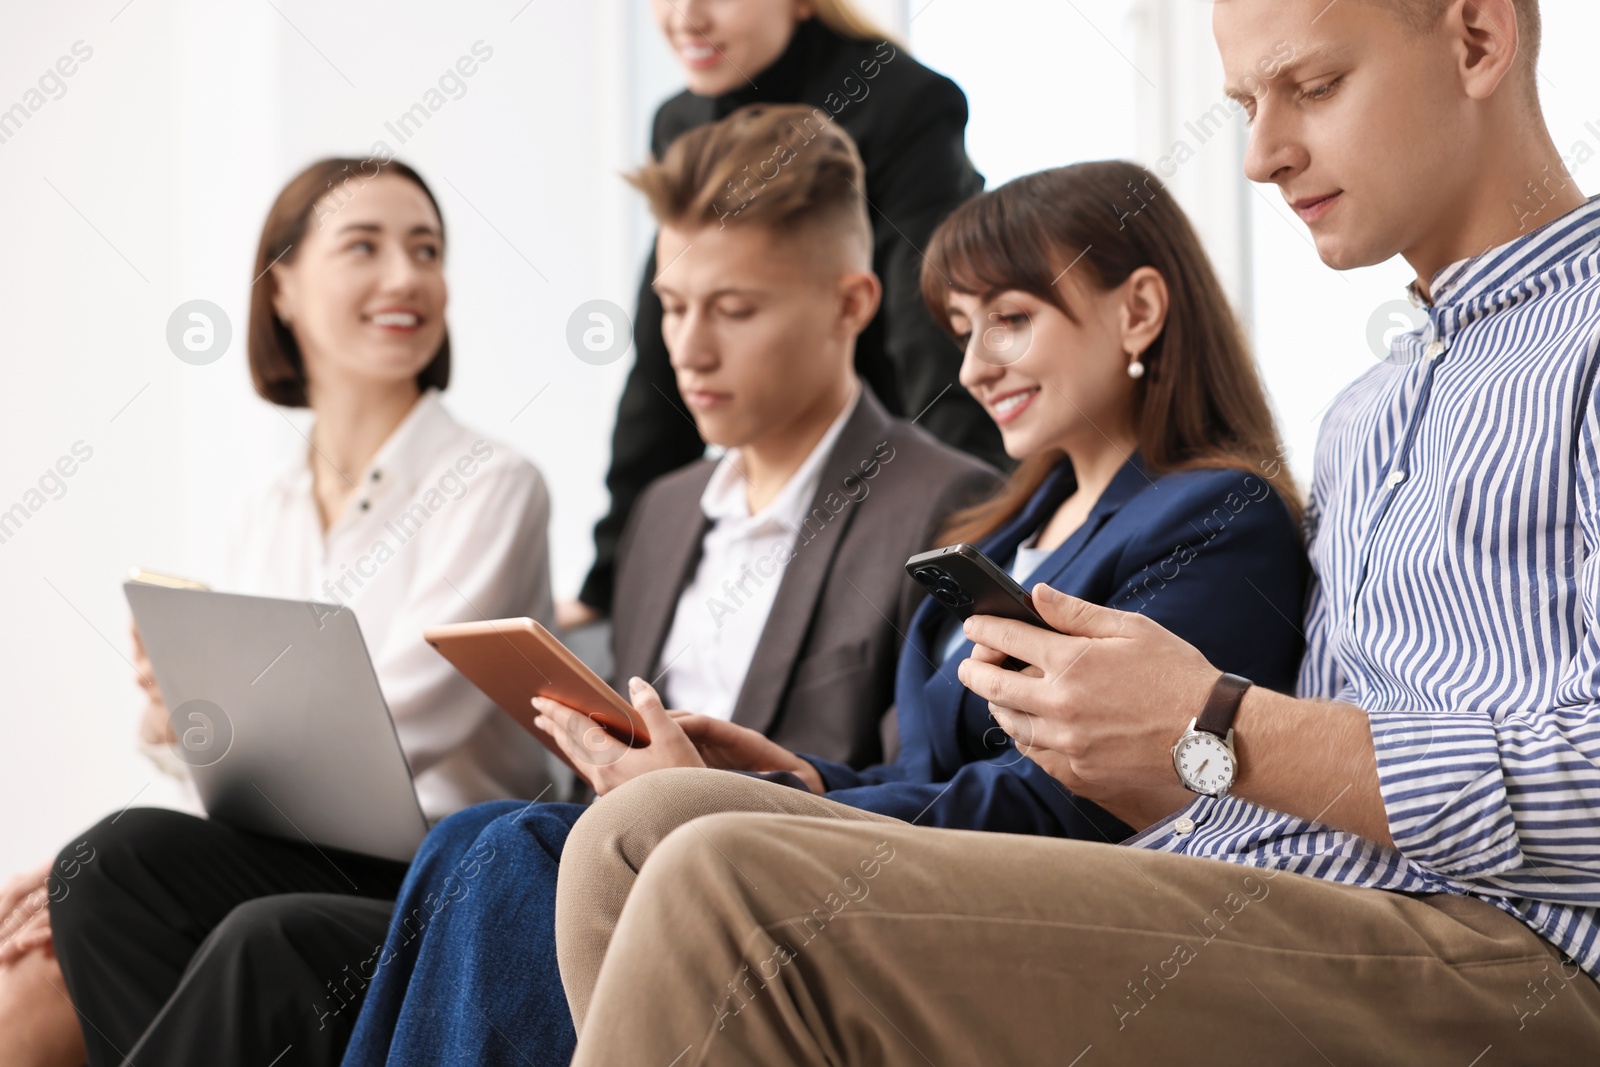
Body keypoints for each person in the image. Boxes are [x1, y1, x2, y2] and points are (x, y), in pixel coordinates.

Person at [556, 1, 1600, 1062]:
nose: (1258, 156)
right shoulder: (1365, 412)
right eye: (1243, 106)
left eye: (1314, 88)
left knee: (717, 879)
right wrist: (813, 787)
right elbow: (1279, 768)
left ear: (1476, 39)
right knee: (638, 835)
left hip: (1514, 946)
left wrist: (1219, 724)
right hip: (1283, 882)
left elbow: (1272, 746)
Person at [42, 108, 999, 1067]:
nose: (689, 349)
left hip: (719, 891)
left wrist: (712, 793)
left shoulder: (945, 506)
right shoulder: (665, 514)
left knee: (274, 942)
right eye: (670, 305)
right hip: (575, 864)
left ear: (852, 304)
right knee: (113, 865)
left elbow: (928, 795)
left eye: (734, 309)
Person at [341, 136, 1311, 1065]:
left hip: (1047, 897)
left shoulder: (1215, 515)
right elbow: (921, 770)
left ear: (1139, 311)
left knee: (510, 845)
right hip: (922, 857)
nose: (973, 368)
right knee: (474, 835)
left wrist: (752, 803)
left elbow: (1095, 798)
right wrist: (801, 780)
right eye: (962, 331)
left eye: (1010, 319)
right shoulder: (1000, 527)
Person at [11, 156, 557, 1067]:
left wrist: (211, 715)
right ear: (284, 290)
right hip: (308, 851)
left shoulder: (491, 484)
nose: (407, 276)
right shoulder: (261, 511)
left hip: (442, 865)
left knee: (249, 924)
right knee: (98, 866)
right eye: (365, 246)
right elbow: (253, 776)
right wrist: (175, 707)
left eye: (426, 249)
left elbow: (399, 724)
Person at [565, 0, 1003, 627]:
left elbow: (932, 347)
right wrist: (609, 576)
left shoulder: (901, 104)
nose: (685, 17)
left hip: (875, 462)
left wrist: (951, 541)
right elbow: (659, 366)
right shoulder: (681, 122)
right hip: (772, 473)